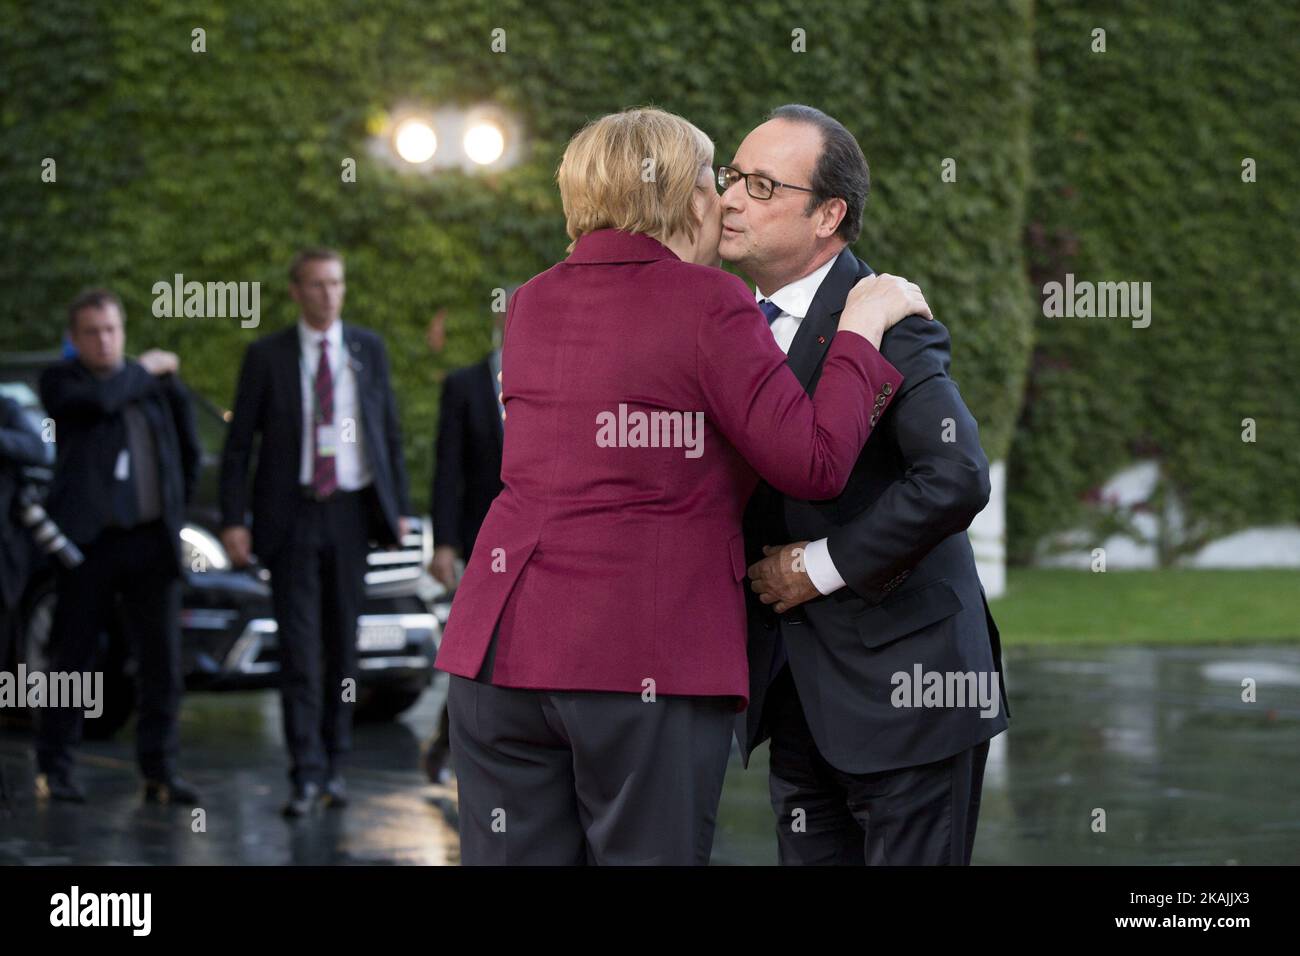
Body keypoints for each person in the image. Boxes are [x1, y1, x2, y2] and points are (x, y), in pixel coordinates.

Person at [435, 106, 930, 865]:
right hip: (639, 656)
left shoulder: (532, 301)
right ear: (681, 194)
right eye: (715, 179)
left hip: (496, 652)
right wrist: (861, 328)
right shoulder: (708, 303)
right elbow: (815, 462)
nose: (725, 198)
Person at [731, 105, 1009, 865]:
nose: (728, 200)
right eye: (729, 178)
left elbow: (955, 475)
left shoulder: (891, 319)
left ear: (829, 214)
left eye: (759, 186)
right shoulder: (727, 322)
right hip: (794, 695)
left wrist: (819, 567)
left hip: (913, 689)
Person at [219, 248, 411, 817]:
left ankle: (335, 768)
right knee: (300, 651)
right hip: (292, 515)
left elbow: (388, 431)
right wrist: (234, 520)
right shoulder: (267, 356)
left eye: (336, 284)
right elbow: (238, 449)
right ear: (295, 291)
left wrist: (396, 507)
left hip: (351, 515)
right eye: (316, 285)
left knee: (341, 648)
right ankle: (303, 773)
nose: (329, 295)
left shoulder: (365, 349)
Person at [35, 289, 202, 804]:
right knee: (71, 658)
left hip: (151, 541)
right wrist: (149, 366)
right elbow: (104, 401)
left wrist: (177, 509)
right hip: (88, 546)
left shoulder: (154, 388)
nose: (105, 341)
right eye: (92, 332)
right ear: (74, 339)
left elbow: (188, 449)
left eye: (112, 330)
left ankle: (160, 771)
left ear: (122, 330)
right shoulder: (62, 383)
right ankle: (55, 769)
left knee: (162, 662)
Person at [423, 302, 508, 784]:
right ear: (498, 324)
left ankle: (456, 743)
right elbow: (447, 470)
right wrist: (444, 544)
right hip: (480, 541)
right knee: (476, 649)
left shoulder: (558, 375)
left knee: (500, 652)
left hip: (536, 542)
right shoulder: (464, 385)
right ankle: (451, 743)